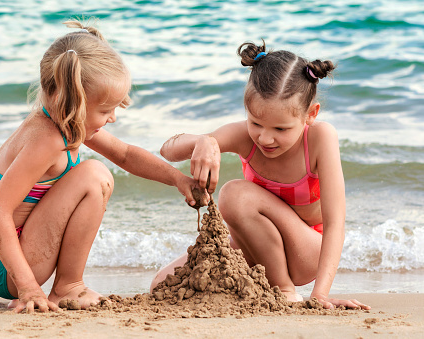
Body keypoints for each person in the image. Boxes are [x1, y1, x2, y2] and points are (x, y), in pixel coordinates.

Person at [0, 20, 201, 314]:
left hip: (8, 256)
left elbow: (125, 154)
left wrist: (178, 179)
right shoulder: (46, 140)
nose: (112, 117)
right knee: (94, 175)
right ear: (71, 102)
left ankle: (65, 285)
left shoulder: (63, 122)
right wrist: (28, 288)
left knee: (95, 172)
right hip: (7, 267)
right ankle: (68, 287)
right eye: (105, 110)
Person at [151, 40, 370, 310]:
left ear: (310, 115)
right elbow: (167, 150)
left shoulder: (320, 138)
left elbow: (336, 222)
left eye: (281, 128)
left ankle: (285, 290)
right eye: (256, 123)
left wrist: (320, 294)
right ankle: (265, 285)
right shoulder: (244, 136)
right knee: (163, 285)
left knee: (234, 194)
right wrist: (205, 141)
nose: (265, 138)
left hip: (306, 251)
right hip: (257, 248)